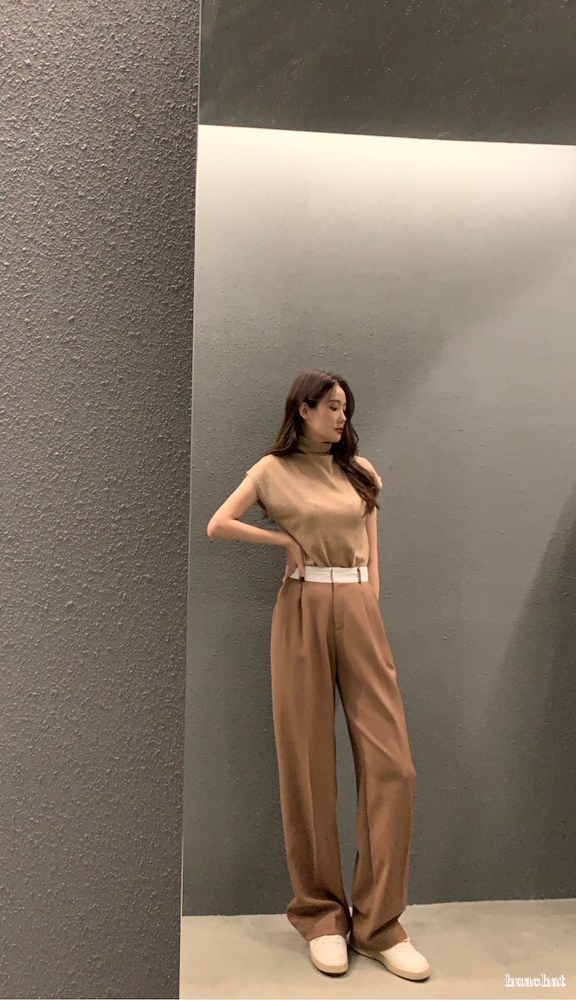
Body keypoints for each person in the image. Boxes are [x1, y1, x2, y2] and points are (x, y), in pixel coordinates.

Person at [206, 368, 431, 982]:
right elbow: (218, 523)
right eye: (332, 406)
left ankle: (379, 924)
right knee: (306, 761)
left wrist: (368, 608)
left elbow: (374, 557)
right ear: (302, 409)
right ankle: (322, 916)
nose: (341, 417)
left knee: (394, 766)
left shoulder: (360, 472)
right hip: (302, 606)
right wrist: (284, 544)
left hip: (357, 608)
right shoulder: (271, 470)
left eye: (345, 408)